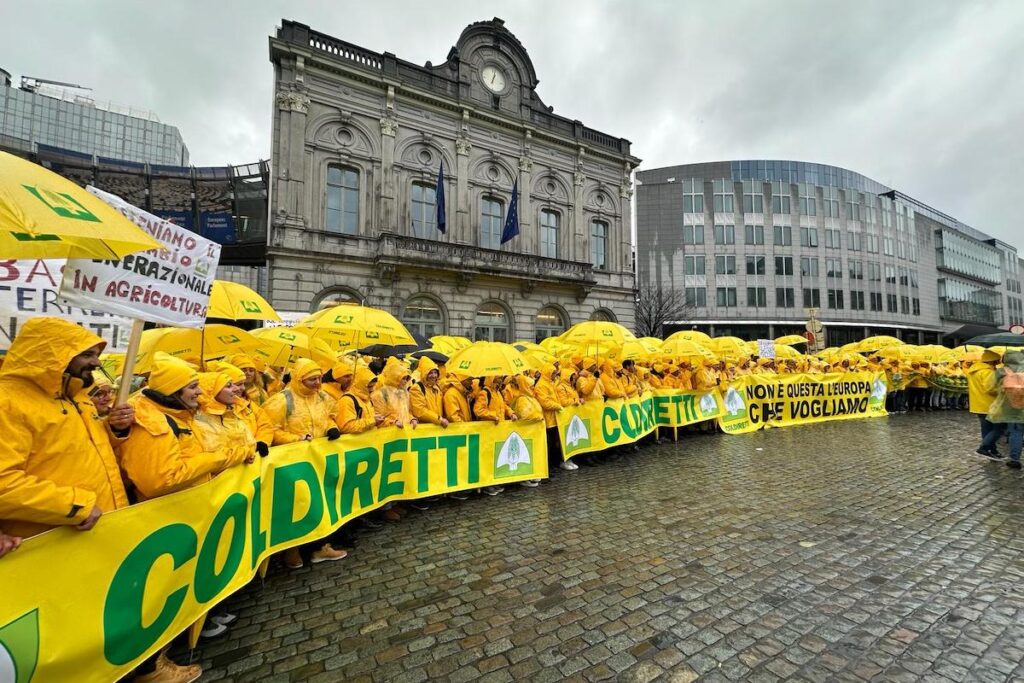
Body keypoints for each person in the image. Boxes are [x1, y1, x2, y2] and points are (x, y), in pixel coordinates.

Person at [0, 317, 132, 540]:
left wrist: (115, 429)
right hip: (54, 544)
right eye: (87, 355)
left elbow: (82, 451)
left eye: (96, 355)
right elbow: (4, 485)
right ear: (53, 355)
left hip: (102, 532)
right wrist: (75, 505)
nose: (97, 363)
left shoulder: (77, 396)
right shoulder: (8, 403)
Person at [261, 358, 346, 567]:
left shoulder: (322, 396)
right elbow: (268, 429)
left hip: (318, 459)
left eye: (318, 378)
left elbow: (328, 417)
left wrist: (330, 428)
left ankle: (321, 547)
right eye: (312, 380)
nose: (317, 383)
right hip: (293, 463)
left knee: (320, 502)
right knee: (296, 506)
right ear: (299, 380)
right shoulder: (281, 400)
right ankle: (291, 550)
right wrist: (295, 440)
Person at [986, 350, 1024, 469]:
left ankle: (1014, 459)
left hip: (1010, 407)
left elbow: (990, 388)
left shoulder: (1001, 371)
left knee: (1015, 432)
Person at [968, 350, 1004, 459]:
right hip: (990, 404)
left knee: (986, 429)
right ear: (992, 361)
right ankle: (984, 448)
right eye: (997, 361)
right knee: (999, 428)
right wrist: (1002, 389)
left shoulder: (974, 371)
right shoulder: (987, 372)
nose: (998, 363)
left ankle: (992, 450)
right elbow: (990, 388)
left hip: (978, 405)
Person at [372, 357, 418, 429]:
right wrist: (393, 422)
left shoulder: (405, 393)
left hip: (404, 433)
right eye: (403, 378)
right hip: (388, 436)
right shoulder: (380, 394)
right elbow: (378, 418)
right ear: (395, 378)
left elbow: (406, 412)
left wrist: (412, 419)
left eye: (407, 379)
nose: (406, 381)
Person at [410, 357, 448, 428]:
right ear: (424, 374)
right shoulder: (417, 388)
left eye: (435, 372)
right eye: (430, 373)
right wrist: (439, 419)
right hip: (425, 429)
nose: (434, 376)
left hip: (439, 427)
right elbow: (420, 411)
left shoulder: (437, 387)